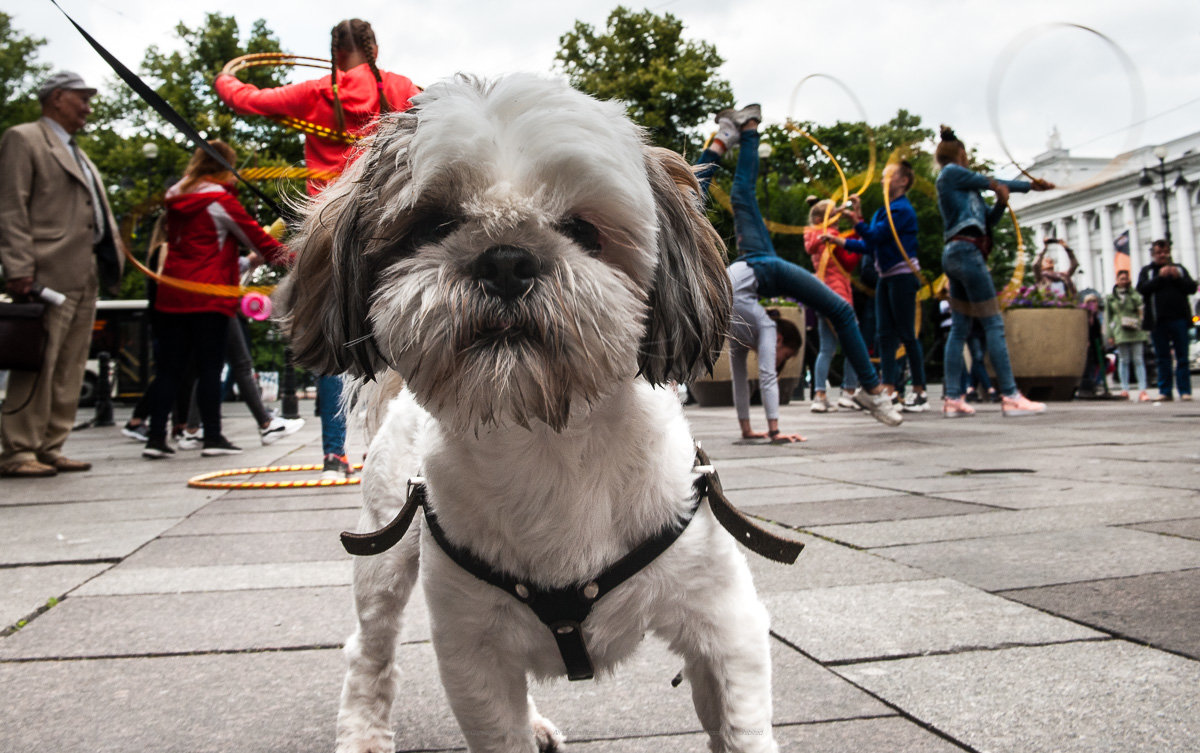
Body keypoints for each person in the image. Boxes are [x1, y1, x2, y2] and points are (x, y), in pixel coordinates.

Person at [216, 18, 420, 478]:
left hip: (327, 229)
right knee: (395, 338)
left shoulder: (317, 92)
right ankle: (388, 448)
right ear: (374, 46)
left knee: (330, 341)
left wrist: (225, 77)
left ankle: (335, 454)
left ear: (334, 50)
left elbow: (243, 98)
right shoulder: (402, 88)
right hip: (386, 224)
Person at [696, 104, 903, 427]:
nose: (780, 358)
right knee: (843, 312)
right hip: (761, 267)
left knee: (738, 195)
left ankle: (744, 129)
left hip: (755, 261)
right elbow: (691, 189)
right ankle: (873, 389)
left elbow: (691, 190)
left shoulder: (737, 330)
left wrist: (722, 141)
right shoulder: (757, 328)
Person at [0, 71, 125, 478]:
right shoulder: (24, 139)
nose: (88, 106)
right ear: (56, 97)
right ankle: (19, 448)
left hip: (82, 271)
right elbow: (11, 207)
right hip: (45, 270)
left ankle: (51, 444)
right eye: (81, 98)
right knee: (38, 362)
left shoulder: (77, 152)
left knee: (70, 363)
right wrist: (18, 267)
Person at [142, 140, 291, 459]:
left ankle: (156, 437)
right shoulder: (219, 201)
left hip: (172, 293)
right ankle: (212, 436)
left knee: (170, 369)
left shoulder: (175, 195)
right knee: (210, 367)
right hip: (208, 294)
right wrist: (301, 259)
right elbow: (261, 242)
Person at [935, 125, 1054, 418]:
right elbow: (990, 180)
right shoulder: (951, 173)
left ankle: (953, 399)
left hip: (960, 252)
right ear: (960, 154)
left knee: (961, 327)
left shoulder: (967, 188)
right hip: (964, 252)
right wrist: (1028, 186)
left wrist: (1001, 203)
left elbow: (987, 222)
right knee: (993, 324)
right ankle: (1010, 395)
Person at [823, 161, 929, 412]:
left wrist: (858, 220)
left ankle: (920, 391)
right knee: (884, 336)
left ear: (903, 181)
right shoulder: (885, 211)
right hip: (886, 277)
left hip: (902, 275)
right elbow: (870, 245)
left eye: (888, 176)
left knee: (906, 334)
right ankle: (889, 389)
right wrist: (839, 239)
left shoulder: (902, 211)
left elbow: (874, 237)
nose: (883, 181)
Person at [727, 260, 805, 442]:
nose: (780, 362)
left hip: (721, 293)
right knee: (766, 374)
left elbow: (739, 381)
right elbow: (768, 375)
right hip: (735, 290)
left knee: (739, 377)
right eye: (785, 355)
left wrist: (747, 431)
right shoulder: (766, 324)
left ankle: (746, 429)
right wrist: (775, 433)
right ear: (779, 339)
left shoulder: (743, 328)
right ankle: (774, 430)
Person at [804, 200, 861, 413]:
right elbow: (851, 260)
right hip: (840, 297)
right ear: (822, 219)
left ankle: (820, 394)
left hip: (822, 295)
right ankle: (849, 391)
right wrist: (855, 227)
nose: (838, 218)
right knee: (853, 345)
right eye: (834, 215)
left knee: (826, 348)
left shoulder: (815, 236)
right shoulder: (830, 239)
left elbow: (811, 245)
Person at [1136, 239, 1196, 401]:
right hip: (1158, 321)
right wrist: (1159, 278)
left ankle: (1185, 390)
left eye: (1165, 252)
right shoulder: (1148, 271)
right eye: (1159, 253)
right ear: (1153, 255)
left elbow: (1191, 287)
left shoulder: (1179, 270)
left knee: (1182, 356)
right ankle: (1165, 390)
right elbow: (1142, 289)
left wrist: (1178, 278)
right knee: (1162, 357)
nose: (1162, 255)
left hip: (1179, 319)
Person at [1104, 270, 1148, 400]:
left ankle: (1142, 389)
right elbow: (1108, 317)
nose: (1124, 281)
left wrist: (1131, 291)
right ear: (1117, 280)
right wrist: (1110, 334)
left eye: (1126, 279)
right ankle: (1124, 388)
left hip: (1135, 329)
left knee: (1138, 359)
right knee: (1123, 360)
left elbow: (1139, 305)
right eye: (1121, 279)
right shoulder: (1111, 297)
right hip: (1120, 331)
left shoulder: (1134, 294)